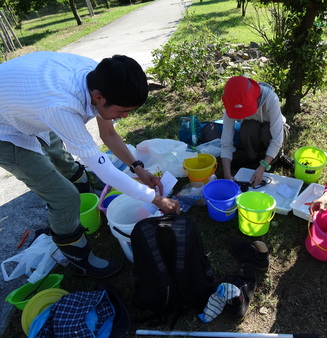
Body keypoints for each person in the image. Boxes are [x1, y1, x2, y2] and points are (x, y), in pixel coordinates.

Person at [0, 51, 180, 279]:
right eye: (122, 111)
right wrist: (156, 199)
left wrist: (139, 168)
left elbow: (109, 134)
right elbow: (103, 169)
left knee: (64, 161)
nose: (124, 117)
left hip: (28, 104)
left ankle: (88, 204)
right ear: (98, 98)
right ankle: (80, 258)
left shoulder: (100, 77)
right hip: (4, 129)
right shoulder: (62, 107)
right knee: (63, 197)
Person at [220, 76, 290, 186]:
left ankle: (275, 158)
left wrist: (262, 167)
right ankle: (252, 156)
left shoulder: (270, 98)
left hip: (272, 131)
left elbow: (277, 139)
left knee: (267, 131)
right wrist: (227, 175)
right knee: (248, 127)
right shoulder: (231, 104)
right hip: (254, 129)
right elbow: (226, 141)